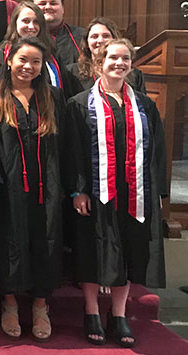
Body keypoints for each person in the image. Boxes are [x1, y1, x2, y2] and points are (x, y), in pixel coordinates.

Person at [65, 39, 166, 348]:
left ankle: (119, 314)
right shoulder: (80, 104)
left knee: (128, 251)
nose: (119, 63)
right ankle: (92, 310)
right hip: (96, 193)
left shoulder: (145, 105)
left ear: (132, 65)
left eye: (125, 58)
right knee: (92, 250)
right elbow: (74, 152)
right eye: (113, 58)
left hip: (134, 192)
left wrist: (158, 191)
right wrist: (78, 190)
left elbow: (157, 151)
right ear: (100, 62)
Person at [0, 37, 65, 342]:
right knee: (7, 243)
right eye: (23, 60)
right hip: (6, 187)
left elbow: (65, 145)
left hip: (47, 187)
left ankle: (41, 304)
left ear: (43, 67)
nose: (28, 67)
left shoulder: (53, 97)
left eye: (36, 62)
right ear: (9, 60)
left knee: (46, 240)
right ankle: (9, 302)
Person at [0, 1, 70, 93]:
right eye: (26, 21)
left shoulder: (51, 57)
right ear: (15, 22)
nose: (31, 26)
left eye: (36, 22)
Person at [67, 17, 146, 94]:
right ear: (87, 42)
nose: (100, 40)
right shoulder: (72, 72)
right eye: (94, 36)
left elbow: (141, 104)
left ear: (115, 40)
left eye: (106, 36)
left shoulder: (135, 75)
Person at [32, 0, 86, 66]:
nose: (48, 7)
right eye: (42, 4)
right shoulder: (23, 38)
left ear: (63, 8)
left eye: (53, 3)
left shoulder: (83, 37)